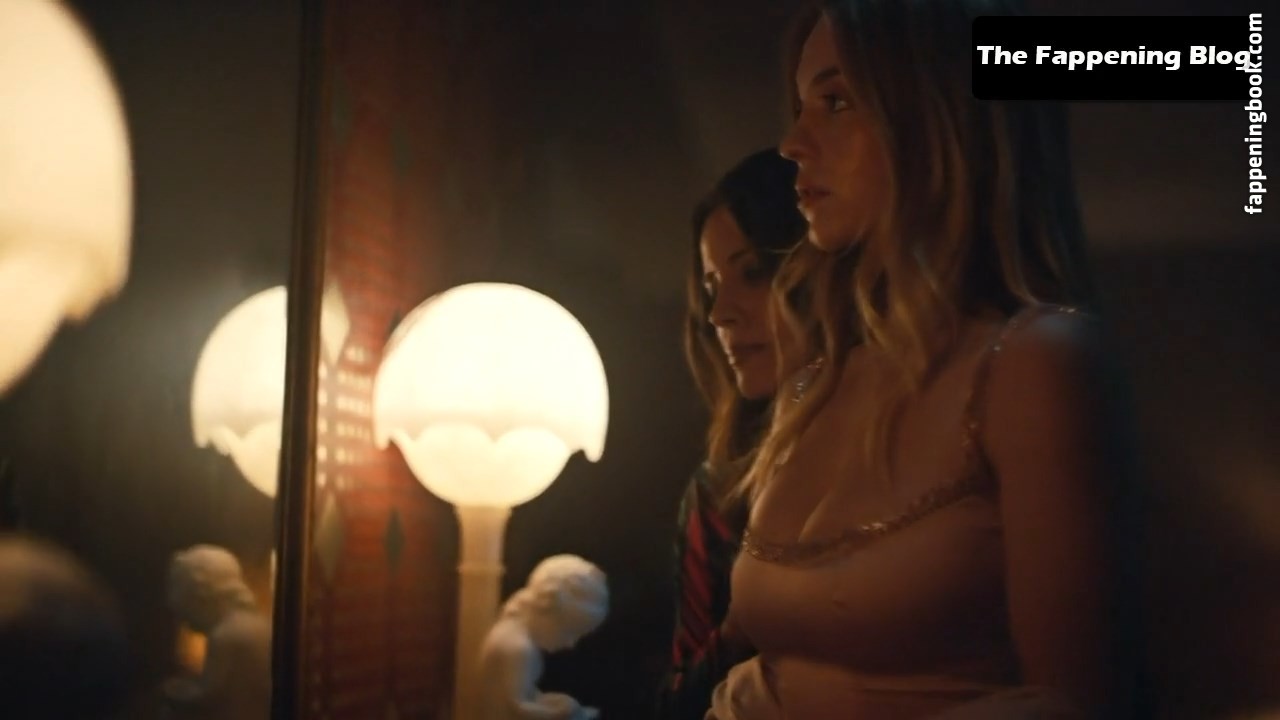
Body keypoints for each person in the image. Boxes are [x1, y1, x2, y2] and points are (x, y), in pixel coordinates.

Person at [707, 2, 1143, 719]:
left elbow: (1078, 705)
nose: (791, 143)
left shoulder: (1033, 365)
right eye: (799, 107)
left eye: (836, 102)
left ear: (940, 119)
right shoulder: (813, 385)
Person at [656, 149, 808, 720]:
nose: (720, 313)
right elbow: (675, 704)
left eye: (752, 273)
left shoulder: (916, 445)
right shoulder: (719, 495)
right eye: (712, 285)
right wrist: (743, 625)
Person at [477, 554, 609, 720]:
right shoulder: (519, 649)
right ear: (547, 611)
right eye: (569, 632)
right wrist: (563, 714)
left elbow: (523, 695)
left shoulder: (511, 634)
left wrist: (549, 701)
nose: (570, 644)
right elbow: (517, 709)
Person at [162, 544, 271, 720]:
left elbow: (210, 700)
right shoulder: (258, 624)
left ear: (202, 594)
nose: (183, 616)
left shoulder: (226, 636)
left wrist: (174, 693)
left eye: (185, 600)